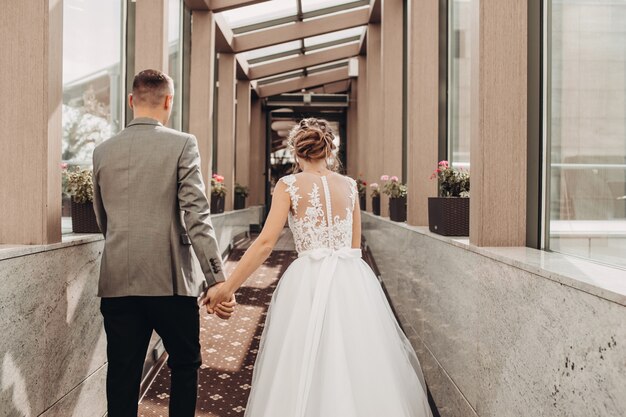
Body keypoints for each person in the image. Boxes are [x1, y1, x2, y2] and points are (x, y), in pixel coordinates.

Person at [207, 118, 433, 417]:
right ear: (329, 151)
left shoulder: (288, 185)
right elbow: (354, 247)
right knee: (356, 356)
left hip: (308, 280)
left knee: (303, 357)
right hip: (352, 280)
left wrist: (228, 287)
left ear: (296, 153)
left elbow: (265, 244)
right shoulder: (350, 186)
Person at [92, 69, 235, 417]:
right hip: (170, 281)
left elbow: (103, 219)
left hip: (118, 280)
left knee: (122, 374)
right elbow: (196, 215)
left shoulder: (102, 151)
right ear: (168, 101)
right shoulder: (183, 143)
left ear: (131, 101)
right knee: (185, 365)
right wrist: (218, 279)